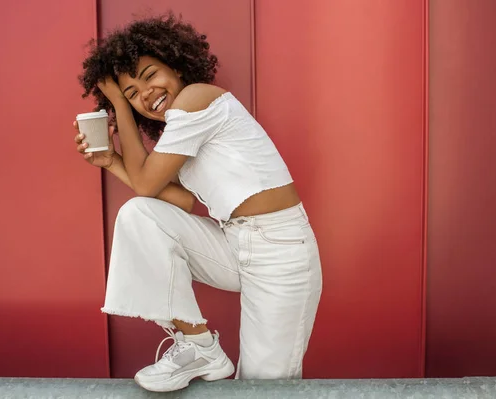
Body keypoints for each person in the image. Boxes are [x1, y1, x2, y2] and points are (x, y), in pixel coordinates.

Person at [74, 14, 322, 392]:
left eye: (150, 74)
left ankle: (213, 356)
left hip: (281, 252)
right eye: (130, 93)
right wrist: (111, 161)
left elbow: (145, 181)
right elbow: (178, 200)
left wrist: (117, 105)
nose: (145, 93)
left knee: (262, 386)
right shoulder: (182, 130)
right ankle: (198, 345)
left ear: (176, 64)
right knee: (141, 216)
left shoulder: (198, 97)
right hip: (235, 244)